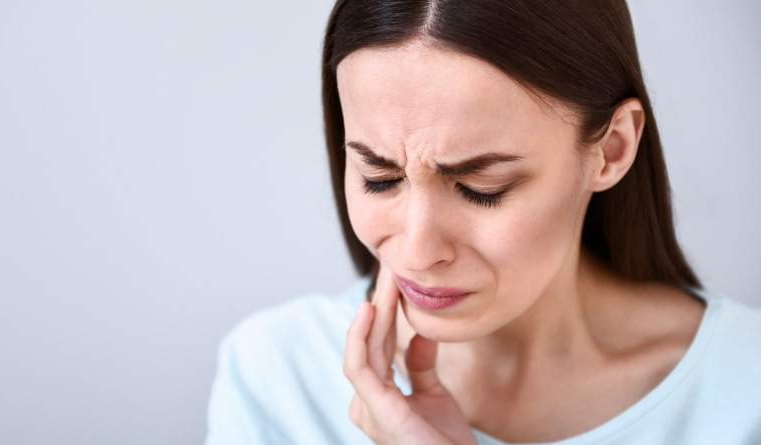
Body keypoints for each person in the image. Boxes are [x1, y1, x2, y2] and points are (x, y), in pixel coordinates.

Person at [206, 0, 761, 443]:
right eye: (379, 178)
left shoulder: (745, 393)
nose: (418, 252)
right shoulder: (275, 377)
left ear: (611, 149)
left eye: (481, 189)